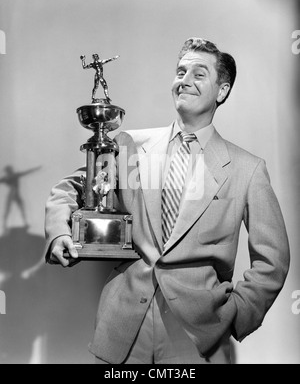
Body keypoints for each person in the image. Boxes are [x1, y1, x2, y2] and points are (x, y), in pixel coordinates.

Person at [45, 37, 290, 364]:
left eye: (198, 74)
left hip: (199, 334)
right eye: (180, 72)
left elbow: (273, 259)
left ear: (222, 91)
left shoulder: (247, 169)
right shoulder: (130, 145)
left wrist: (236, 314)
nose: (184, 81)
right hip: (123, 330)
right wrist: (61, 232)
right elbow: (74, 187)